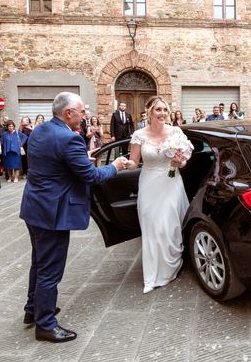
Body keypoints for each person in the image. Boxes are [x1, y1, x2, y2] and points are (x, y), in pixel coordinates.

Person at [20, 92, 127, 343]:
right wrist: (116, 166)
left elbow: (51, 162)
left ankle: (32, 310)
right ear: (68, 113)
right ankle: (45, 325)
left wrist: (80, 161)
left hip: (34, 206)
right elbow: (91, 177)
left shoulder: (40, 130)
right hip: (53, 213)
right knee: (50, 270)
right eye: (81, 111)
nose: (85, 115)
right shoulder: (69, 138)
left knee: (39, 262)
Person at [126, 96, 191, 294]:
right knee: (152, 228)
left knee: (169, 227)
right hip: (149, 184)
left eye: (165, 109)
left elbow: (184, 160)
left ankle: (171, 267)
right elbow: (134, 162)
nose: (162, 113)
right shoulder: (139, 134)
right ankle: (152, 275)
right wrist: (120, 164)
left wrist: (180, 162)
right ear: (150, 112)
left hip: (171, 182)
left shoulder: (176, 132)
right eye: (158, 109)